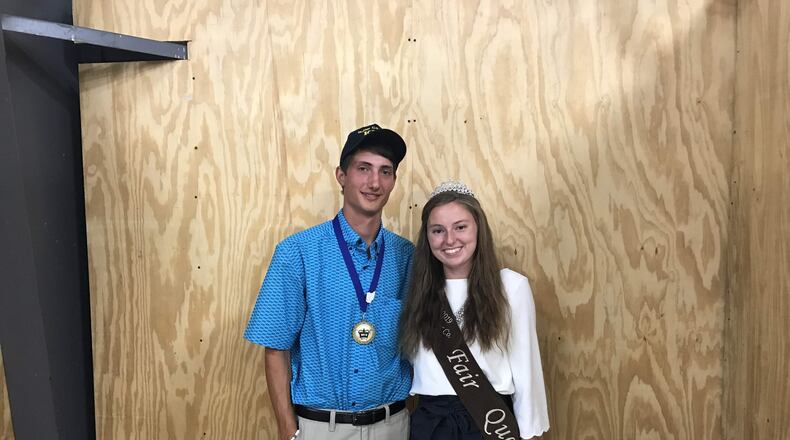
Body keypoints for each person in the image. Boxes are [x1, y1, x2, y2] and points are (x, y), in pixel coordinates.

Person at [245, 124, 414, 440]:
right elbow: (275, 348)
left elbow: (418, 341)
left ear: (393, 181)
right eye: (363, 169)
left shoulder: (406, 256)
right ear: (341, 175)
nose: (374, 182)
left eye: (385, 171)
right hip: (321, 429)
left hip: (392, 426)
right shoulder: (297, 253)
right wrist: (287, 428)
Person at [399, 180, 550, 439]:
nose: (450, 239)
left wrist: (528, 432)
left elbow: (527, 370)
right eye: (438, 230)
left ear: (478, 228)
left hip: (490, 425)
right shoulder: (417, 291)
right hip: (430, 426)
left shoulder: (510, 287)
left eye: (460, 227)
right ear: (427, 236)